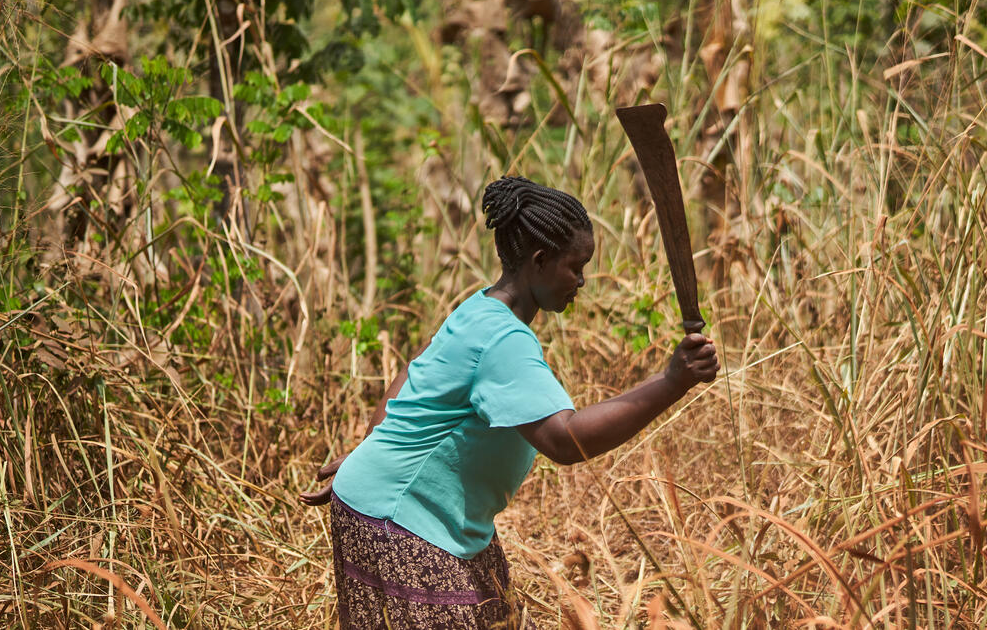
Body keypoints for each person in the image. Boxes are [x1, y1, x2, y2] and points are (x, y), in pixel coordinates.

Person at [299, 175, 720, 629]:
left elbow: (411, 370)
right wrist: (672, 382)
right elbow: (564, 440)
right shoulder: (503, 339)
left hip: (413, 513)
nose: (582, 280)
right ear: (539, 261)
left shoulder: (480, 308)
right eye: (575, 267)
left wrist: (374, 452)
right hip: (399, 521)